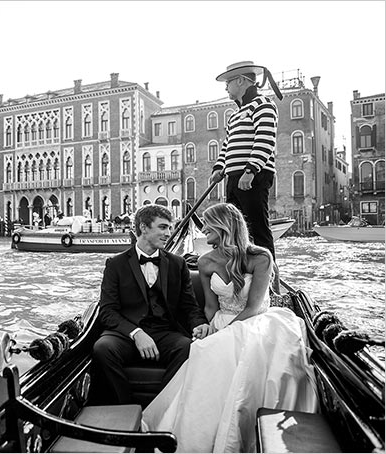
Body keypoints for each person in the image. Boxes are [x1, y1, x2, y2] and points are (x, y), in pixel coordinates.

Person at [142, 203, 317, 453]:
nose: (204, 232)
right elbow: (210, 309)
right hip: (222, 321)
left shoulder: (261, 258)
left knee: (246, 352)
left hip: (258, 322)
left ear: (223, 226)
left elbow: (254, 307)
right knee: (207, 351)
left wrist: (226, 333)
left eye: (208, 226)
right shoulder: (205, 262)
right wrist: (206, 328)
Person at [90, 204, 210, 405]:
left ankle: (160, 408)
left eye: (170, 228)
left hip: (165, 332)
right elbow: (108, 311)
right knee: (103, 348)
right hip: (126, 334)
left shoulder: (177, 264)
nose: (168, 233)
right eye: (163, 227)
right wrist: (136, 333)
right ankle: (126, 408)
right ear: (144, 228)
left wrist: (199, 323)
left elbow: (189, 306)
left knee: (187, 347)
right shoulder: (115, 264)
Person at [209, 61, 284, 290]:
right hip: (233, 177)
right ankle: (242, 277)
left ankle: (270, 282)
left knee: (257, 229)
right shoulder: (235, 115)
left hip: (252, 176)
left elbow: (265, 140)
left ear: (241, 80)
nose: (226, 88)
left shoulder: (263, 105)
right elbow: (227, 145)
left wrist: (250, 170)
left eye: (228, 83)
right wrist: (218, 167)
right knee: (235, 231)